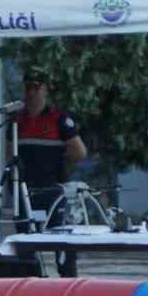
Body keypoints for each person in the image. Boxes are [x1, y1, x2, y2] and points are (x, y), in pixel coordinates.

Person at [15, 67, 87, 216]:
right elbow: (10, 155)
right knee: (25, 235)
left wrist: (54, 159)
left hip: (52, 190)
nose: (31, 92)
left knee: (52, 234)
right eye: (28, 87)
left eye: (36, 87)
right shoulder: (17, 120)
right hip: (24, 191)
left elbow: (80, 152)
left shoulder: (58, 119)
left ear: (45, 89)